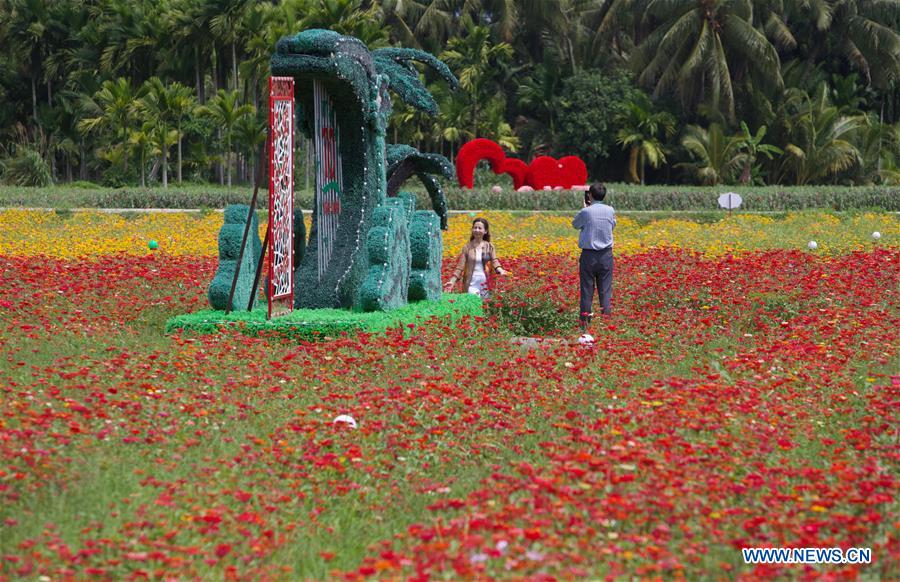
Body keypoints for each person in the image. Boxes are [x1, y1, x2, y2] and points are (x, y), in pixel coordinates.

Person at [572, 182, 615, 332]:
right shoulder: (610, 210)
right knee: (605, 291)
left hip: (589, 255)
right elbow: (612, 225)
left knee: (586, 290)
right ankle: (606, 324)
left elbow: (575, 224)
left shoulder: (586, 212)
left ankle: (585, 325)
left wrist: (585, 208)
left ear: (589, 195)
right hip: (606, 255)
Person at [444, 217, 508, 296]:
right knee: (474, 301)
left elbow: (495, 261)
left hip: (485, 282)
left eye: (480, 228)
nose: (477, 230)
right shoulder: (467, 247)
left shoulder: (489, 246)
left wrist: (500, 270)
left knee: (484, 305)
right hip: (471, 282)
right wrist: (452, 281)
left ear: (485, 231)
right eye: (475, 228)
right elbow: (460, 267)